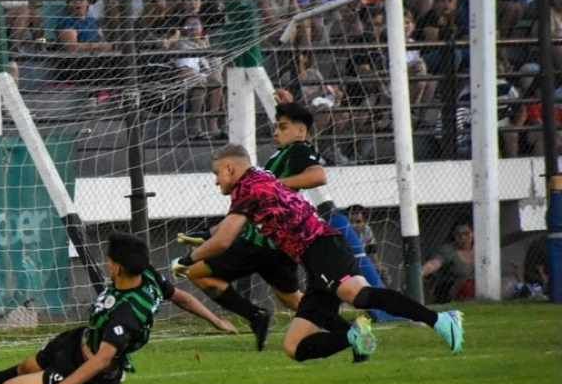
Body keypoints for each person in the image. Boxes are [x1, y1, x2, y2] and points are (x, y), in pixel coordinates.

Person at [175, 144, 465, 362]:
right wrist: (203, 241)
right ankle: (355, 336)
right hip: (311, 258)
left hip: (322, 246)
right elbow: (227, 230)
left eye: (216, 174)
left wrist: (188, 260)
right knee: (294, 347)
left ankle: (440, 320)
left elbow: (224, 240)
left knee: (357, 295)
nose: (216, 181)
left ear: (229, 169)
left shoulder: (247, 187)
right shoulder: (258, 178)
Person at [0, 233, 236, 384]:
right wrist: (216, 320)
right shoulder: (147, 275)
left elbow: (102, 359)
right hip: (78, 339)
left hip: (92, 370)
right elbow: (182, 297)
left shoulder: (127, 314)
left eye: (109, 260)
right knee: (26, 366)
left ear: (117, 268)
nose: (106, 263)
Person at [175, 102, 328, 351]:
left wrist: (273, 187)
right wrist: (209, 233)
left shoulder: (298, 150)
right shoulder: (280, 156)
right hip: (276, 244)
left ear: (301, 131)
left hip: (259, 242)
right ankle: (342, 328)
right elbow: (245, 213)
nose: (275, 132)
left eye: (282, 127)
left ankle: (255, 315)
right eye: (276, 127)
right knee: (290, 298)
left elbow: (318, 176)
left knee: (193, 271)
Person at [422, 222, 476, 302]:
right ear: (454, 236)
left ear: (473, 233)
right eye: (458, 235)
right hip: (455, 291)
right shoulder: (448, 250)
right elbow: (434, 263)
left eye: (466, 233)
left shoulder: (481, 248)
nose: (463, 237)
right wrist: (420, 273)